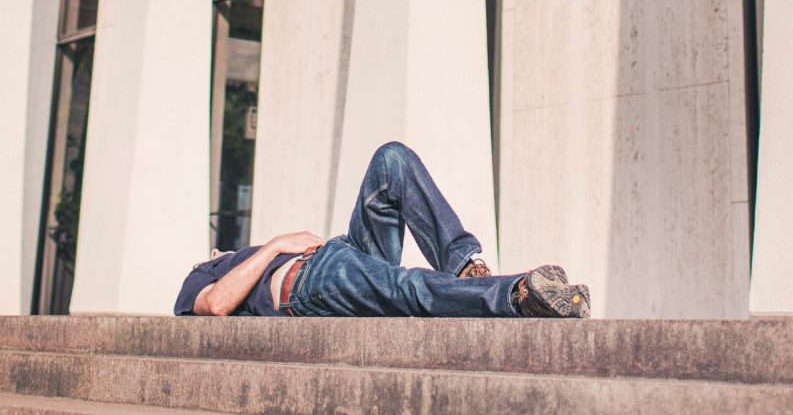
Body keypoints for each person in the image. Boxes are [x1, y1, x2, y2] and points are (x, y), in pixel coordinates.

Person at [174, 142, 590, 319]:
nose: (218, 250)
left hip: (340, 252)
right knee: (405, 286)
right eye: (216, 253)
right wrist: (276, 245)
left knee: (391, 159)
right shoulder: (204, 275)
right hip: (311, 284)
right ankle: (517, 294)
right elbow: (216, 305)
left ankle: (464, 265)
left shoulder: (241, 260)